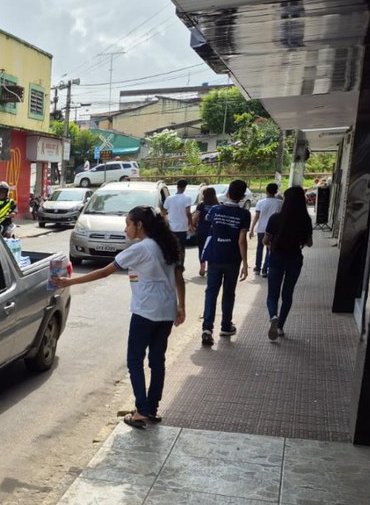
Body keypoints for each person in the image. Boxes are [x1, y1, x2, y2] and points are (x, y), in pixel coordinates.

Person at [52, 205, 185, 428]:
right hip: (166, 311)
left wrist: (69, 282)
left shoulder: (141, 248)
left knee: (135, 360)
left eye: (128, 224)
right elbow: (179, 278)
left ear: (139, 225)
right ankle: (151, 408)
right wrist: (182, 307)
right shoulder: (167, 245)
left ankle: (141, 411)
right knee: (157, 361)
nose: (125, 229)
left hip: (146, 312)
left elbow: (105, 271)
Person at [199, 179, 251, 347]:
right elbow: (242, 241)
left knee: (211, 292)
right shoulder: (244, 215)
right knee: (229, 293)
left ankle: (207, 328)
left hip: (215, 257)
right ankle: (226, 326)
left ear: (228, 193)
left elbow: (208, 220)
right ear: (243, 196)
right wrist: (245, 263)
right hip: (232, 259)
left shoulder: (215, 209)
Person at [263, 185, 314, 340]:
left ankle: (273, 316)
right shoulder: (306, 220)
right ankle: (280, 327)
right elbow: (309, 243)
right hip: (295, 260)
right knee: (287, 294)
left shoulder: (275, 218)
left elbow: (265, 240)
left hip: (276, 259)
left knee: (272, 294)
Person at [250, 182, 283, 276]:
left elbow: (256, 216)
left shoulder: (261, 202)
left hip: (261, 228)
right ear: (276, 191)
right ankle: (265, 269)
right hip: (273, 230)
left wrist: (252, 229)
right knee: (270, 249)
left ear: (266, 191)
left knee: (259, 248)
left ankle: (257, 268)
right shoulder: (280, 203)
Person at [190, 186, 219, 277]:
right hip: (213, 231)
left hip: (202, 230)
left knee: (201, 248)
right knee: (212, 248)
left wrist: (192, 225)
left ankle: (202, 266)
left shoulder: (201, 204)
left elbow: (195, 217)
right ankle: (210, 267)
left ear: (204, 195)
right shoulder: (217, 205)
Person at [162, 179, 192, 268]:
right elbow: (188, 213)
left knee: (171, 247)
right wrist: (191, 224)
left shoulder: (169, 198)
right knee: (181, 248)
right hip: (182, 228)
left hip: (171, 227)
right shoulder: (187, 198)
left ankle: (172, 264)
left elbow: (164, 211)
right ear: (185, 187)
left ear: (177, 186)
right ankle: (181, 266)